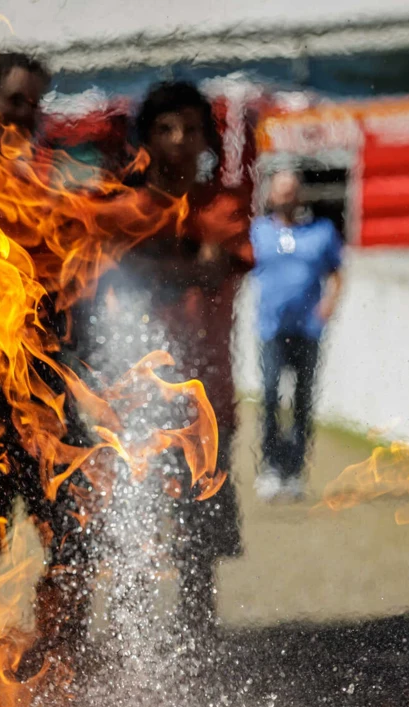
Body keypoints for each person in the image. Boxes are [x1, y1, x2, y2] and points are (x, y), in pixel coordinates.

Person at [77, 80, 253, 639]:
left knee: (200, 544)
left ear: (207, 140)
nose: (179, 141)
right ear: (145, 139)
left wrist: (145, 262)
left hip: (205, 399)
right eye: (165, 128)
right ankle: (133, 647)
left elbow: (209, 269)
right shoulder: (117, 205)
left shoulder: (222, 207)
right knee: (131, 531)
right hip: (131, 403)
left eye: (191, 129)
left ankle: (197, 648)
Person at [250, 170, 343, 502]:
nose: (287, 198)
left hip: (308, 330)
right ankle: (272, 468)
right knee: (272, 396)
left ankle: (295, 472)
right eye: (281, 192)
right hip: (271, 329)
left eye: (292, 192)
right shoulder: (259, 233)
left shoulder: (321, 232)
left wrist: (329, 304)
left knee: (302, 400)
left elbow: (336, 272)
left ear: (300, 195)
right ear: (272, 196)